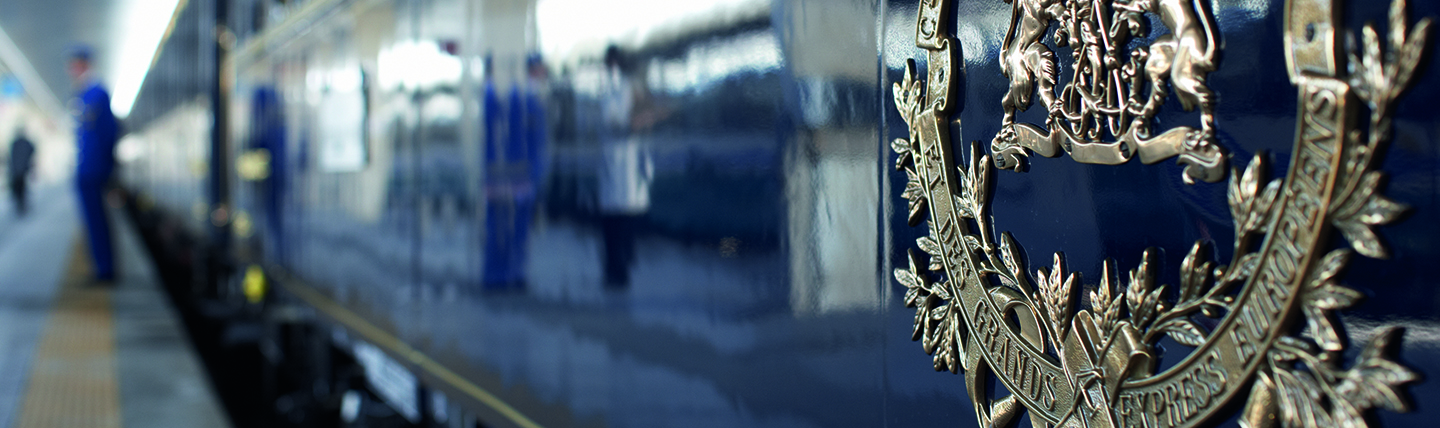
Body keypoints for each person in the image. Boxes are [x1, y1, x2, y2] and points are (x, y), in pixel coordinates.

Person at [596, 45, 653, 289]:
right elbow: (613, 122)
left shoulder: (631, 87)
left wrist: (642, 119)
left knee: (625, 219)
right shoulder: (608, 89)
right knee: (613, 222)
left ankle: (621, 268)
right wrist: (633, 123)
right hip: (613, 163)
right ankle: (614, 271)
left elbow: (643, 115)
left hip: (628, 165)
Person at [69, 46, 118, 283]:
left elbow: (109, 132)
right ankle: (100, 267)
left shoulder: (97, 93)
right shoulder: (83, 94)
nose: (71, 69)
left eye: (75, 64)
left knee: (97, 221)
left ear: (84, 64)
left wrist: (107, 168)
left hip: (94, 170)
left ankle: (105, 270)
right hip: (86, 168)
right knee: (91, 221)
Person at [8, 129, 34, 215]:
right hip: (22, 169)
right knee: (21, 188)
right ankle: (22, 205)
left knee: (19, 188)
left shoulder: (14, 144)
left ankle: (21, 205)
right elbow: (32, 149)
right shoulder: (25, 143)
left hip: (16, 170)